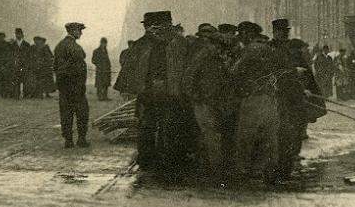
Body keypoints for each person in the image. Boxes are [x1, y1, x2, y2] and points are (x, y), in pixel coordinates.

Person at [114, 11, 191, 172]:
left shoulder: (144, 43)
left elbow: (129, 66)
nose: (149, 29)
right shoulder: (179, 42)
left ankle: (152, 160)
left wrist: (128, 88)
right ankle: (166, 161)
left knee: (152, 126)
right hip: (166, 93)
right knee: (165, 126)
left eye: (149, 26)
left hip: (155, 93)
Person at [230, 20, 299, 183]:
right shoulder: (270, 49)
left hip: (254, 99)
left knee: (246, 135)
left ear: (247, 34)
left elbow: (235, 71)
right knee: (270, 136)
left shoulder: (250, 50)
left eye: (242, 35)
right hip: (270, 98)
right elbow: (284, 71)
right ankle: (266, 169)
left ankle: (245, 170)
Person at [183, 24, 232, 177]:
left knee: (209, 133)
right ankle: (214, 168)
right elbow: (189, 76)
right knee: (210, 133)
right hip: (205, 100)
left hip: (212, 100)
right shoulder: (205, 54)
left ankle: (208, 165)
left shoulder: (214, 56)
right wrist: (195, 95)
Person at [53, 22, 90, 148]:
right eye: (79, 31)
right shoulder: (74, 46)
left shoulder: (59, 46)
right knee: (82, 113)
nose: (81, 33)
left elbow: (55, 66)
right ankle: (81, 139)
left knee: (66, 113)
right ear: (73, 31)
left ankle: (68, 140)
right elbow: (80, 61)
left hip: (63, 86)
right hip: (76, 86)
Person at [9, 28, 32, 100]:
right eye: (16, 34)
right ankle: (16, 94)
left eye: (19, 34)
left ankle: (26, 94)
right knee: (16, 80)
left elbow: (29, 55)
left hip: (24, 65)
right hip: (16, 65)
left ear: (22, 35)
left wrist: (27, 64)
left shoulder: (27, 44)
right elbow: (11, 55)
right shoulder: (12, 45)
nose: (18, 35)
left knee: (25, 80)